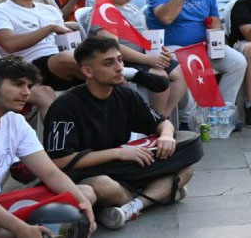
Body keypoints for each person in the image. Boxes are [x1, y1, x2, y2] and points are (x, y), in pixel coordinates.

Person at [43, 38, 195, 230]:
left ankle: (132, 207)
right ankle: (159, 194)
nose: (119, 67)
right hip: (87, 174)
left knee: (186, 168)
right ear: (87, 71)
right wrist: (119, 153)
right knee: (105, 186)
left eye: (120, 60)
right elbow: (60, 161)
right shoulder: (65, 106)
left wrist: (166, 136)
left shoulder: (125, 96)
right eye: (108, 63)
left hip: (123, 168)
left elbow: (161, 122)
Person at [0, 57, 96, 238]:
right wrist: (20, 228)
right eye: (18, 85)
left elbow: (50, 173)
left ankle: (12, 231)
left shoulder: (16, 122)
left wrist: (83, 203)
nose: (26, 93)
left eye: (29, 86)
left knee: (85, 194)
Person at [146, 0, 247, 124]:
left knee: (238, 61)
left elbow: (215, 21)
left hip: (202, 46)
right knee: (186, 65)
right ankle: (188, 118)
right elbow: (166, 17)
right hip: (172, 48)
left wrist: (216, 41)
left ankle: (219, 111)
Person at [0, 0, 84, 118]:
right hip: (30, 67)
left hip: (62, 65)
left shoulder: (49, 9)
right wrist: (50, 28)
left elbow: (65, 44)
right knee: (68, 59)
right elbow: (10, 44)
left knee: (98, 58)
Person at [91, 0, 186, 116]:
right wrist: (148, 59)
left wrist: (160, 50)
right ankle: (155, 120)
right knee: (159, 76)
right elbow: (112, 47)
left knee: (179, 71)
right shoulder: (104, 11)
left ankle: (163, 117)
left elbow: (146, 37)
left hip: (144, 56)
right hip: (122, 61)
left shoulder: (132, 9)